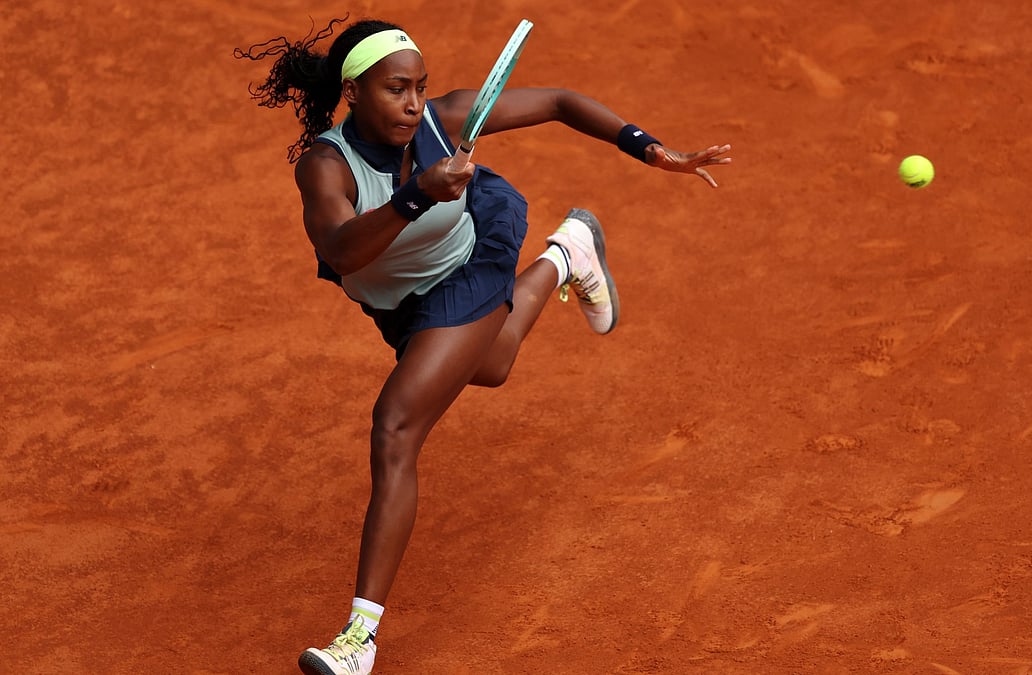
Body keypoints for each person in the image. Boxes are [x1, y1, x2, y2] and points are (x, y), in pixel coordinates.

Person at [235, 15, 731, 675]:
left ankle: (358, 640)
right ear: (354, 93)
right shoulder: (326, 165)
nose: (413, 104)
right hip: (403, 299)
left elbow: (558, 102)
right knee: (491, 363)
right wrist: (415, 195)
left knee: (396, 426)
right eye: (395, 90)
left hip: (472, 253)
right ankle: (570, 250)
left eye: (419, 87)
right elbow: (340, 247)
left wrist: (650, 148)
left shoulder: (447, 119)